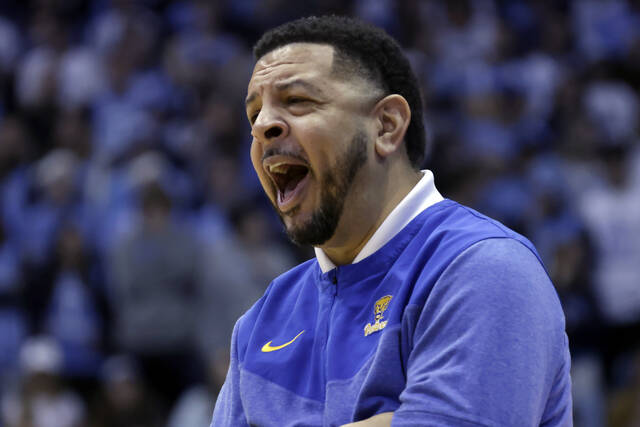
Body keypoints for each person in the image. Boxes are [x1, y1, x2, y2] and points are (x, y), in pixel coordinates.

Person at [211, 15, 572, 427]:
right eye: (254, 114)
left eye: (297, 101)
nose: (262, 127)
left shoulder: (484, 268)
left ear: (386, 125)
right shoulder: (260, 321)